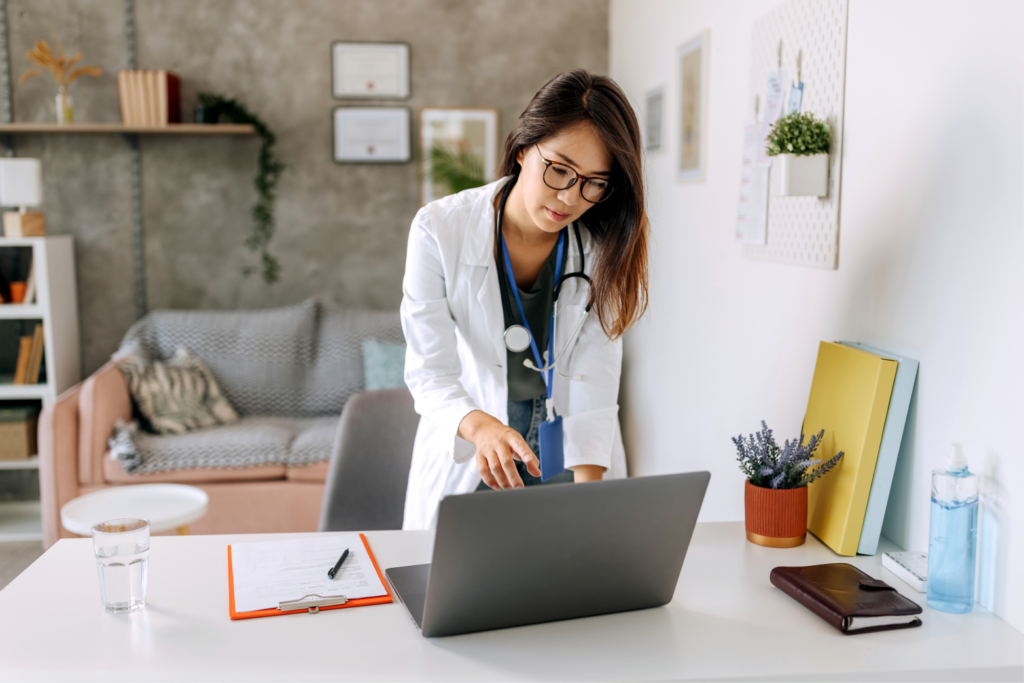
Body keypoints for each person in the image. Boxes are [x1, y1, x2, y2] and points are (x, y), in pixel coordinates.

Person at [400, 69, 649, 530]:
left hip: (571, 448)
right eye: (558, 170)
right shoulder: (439, 230)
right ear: (522, 148)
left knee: (578, 581)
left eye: (594, 182)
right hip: (477, 446)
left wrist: (589, 500)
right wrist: (480, 426)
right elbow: (428, 373)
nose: (570, 197)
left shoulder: (602, 245)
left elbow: (596, 373)